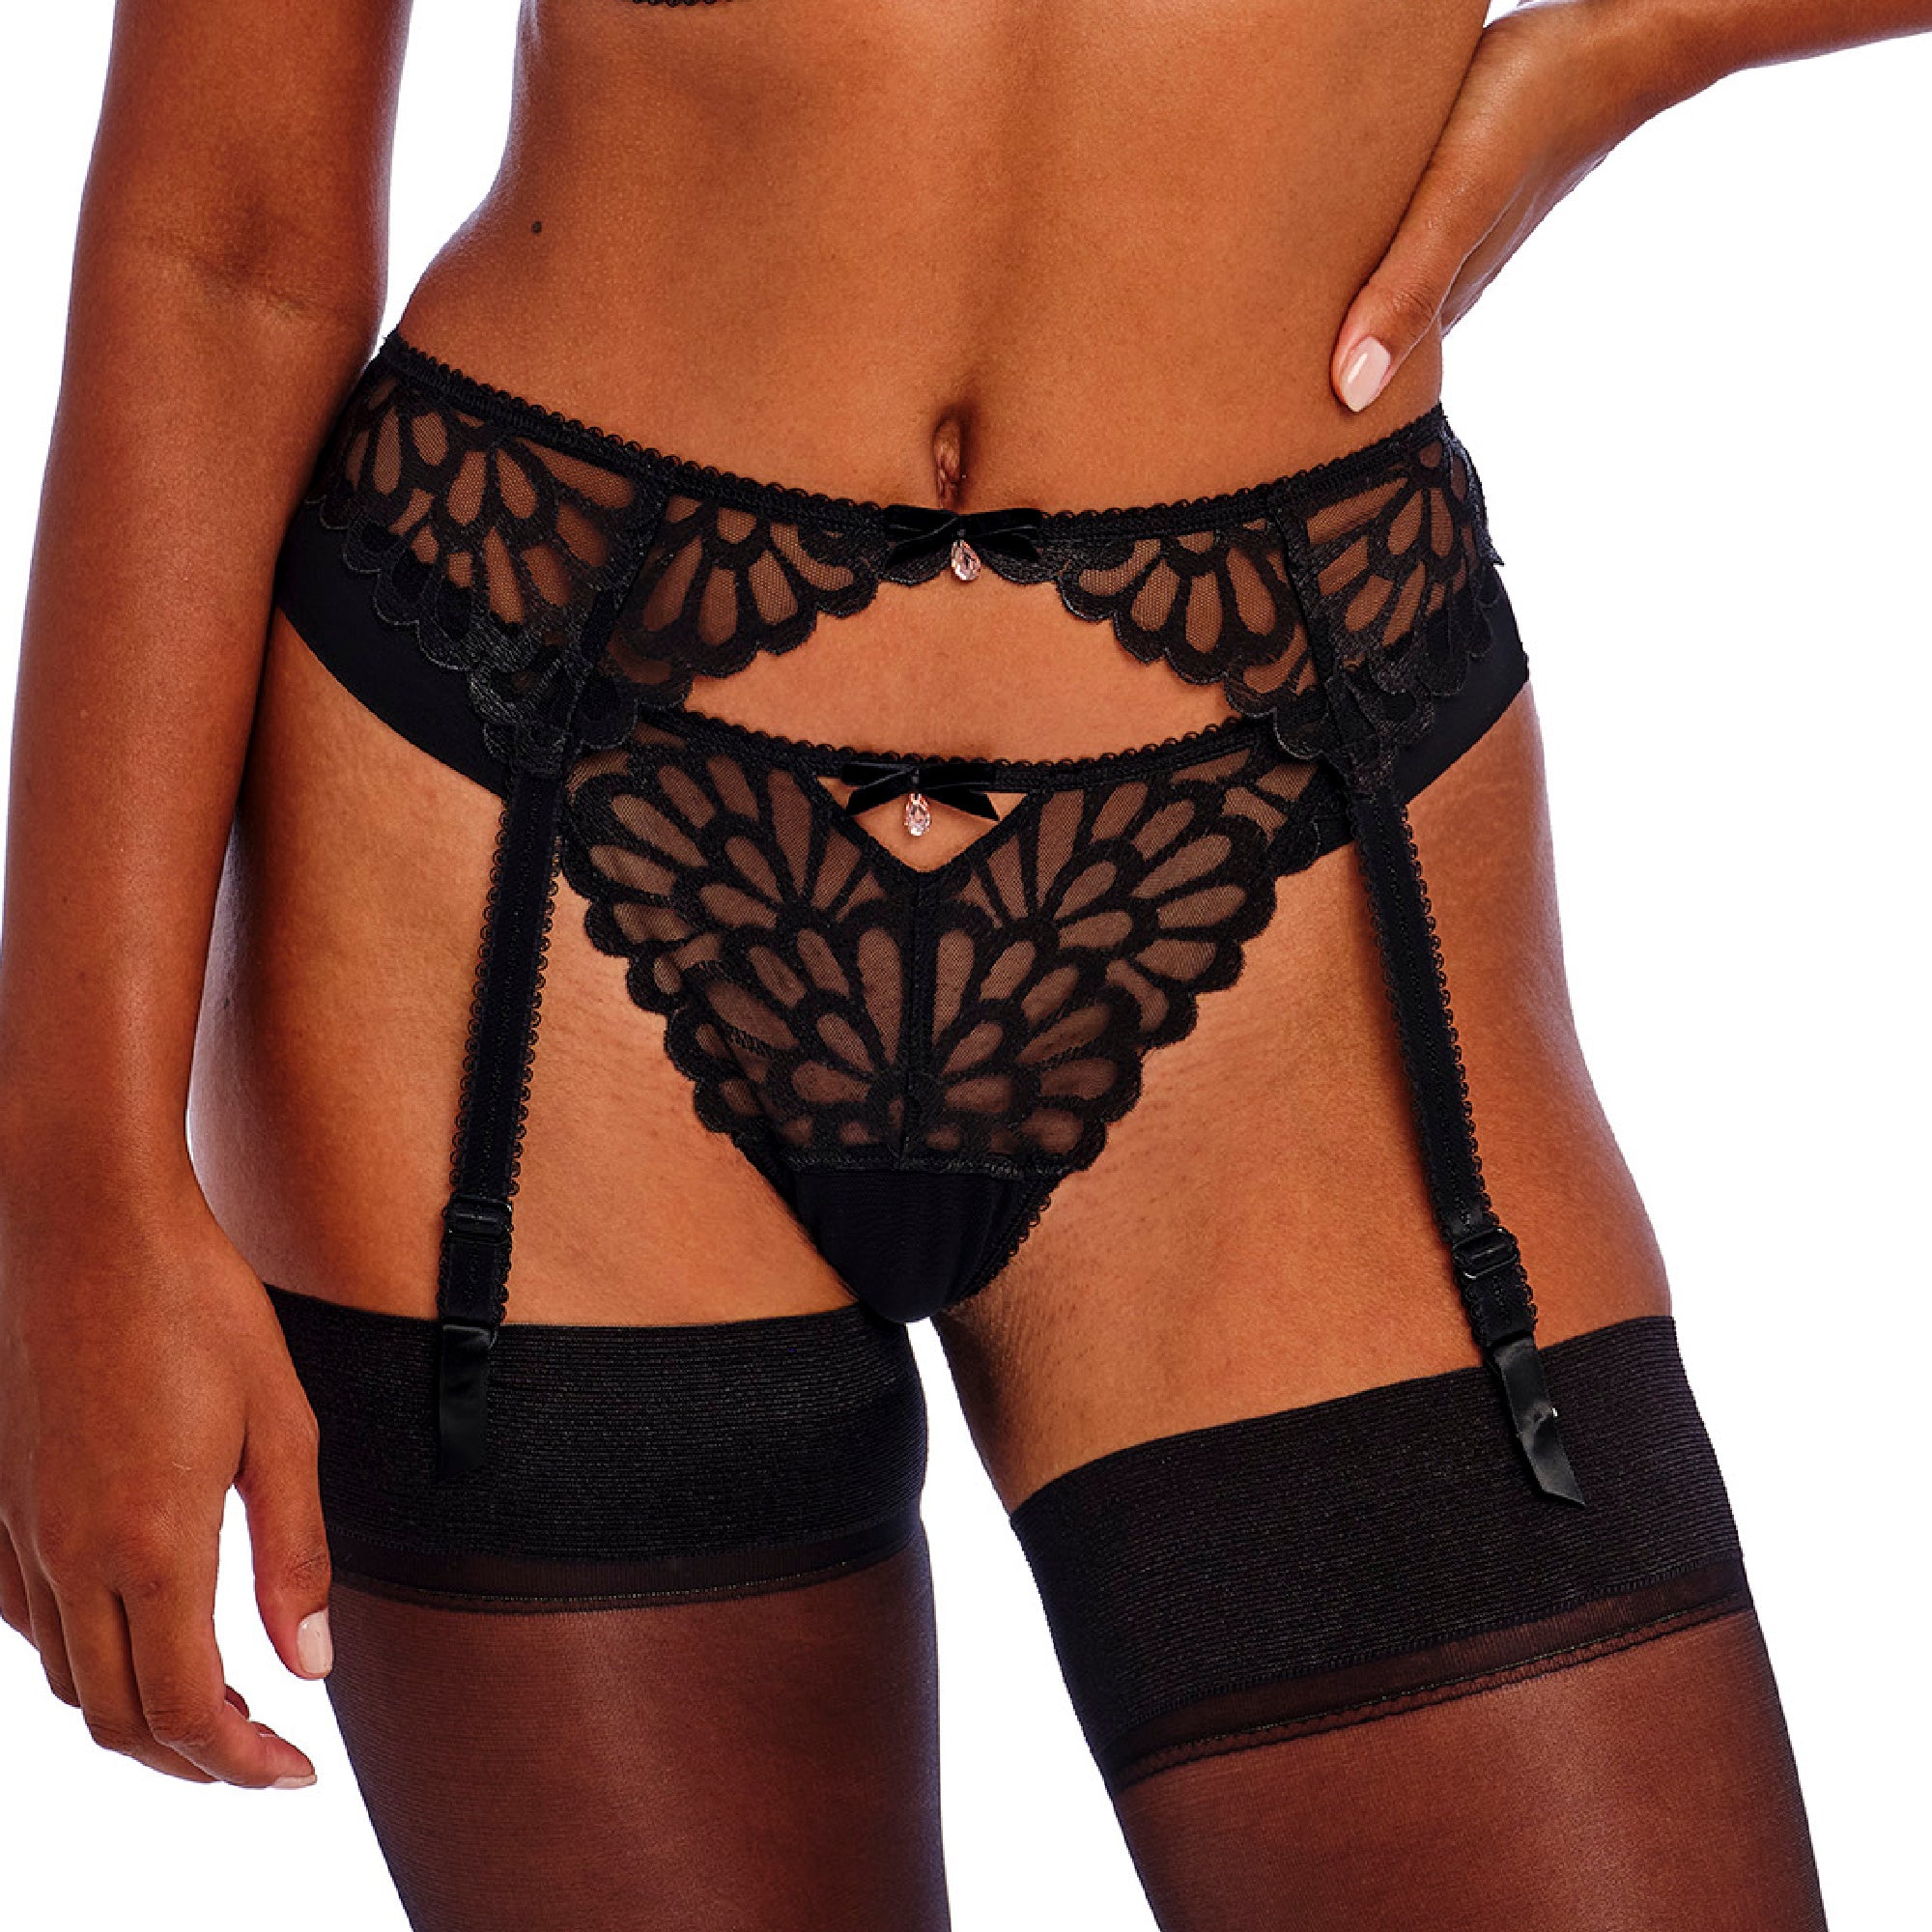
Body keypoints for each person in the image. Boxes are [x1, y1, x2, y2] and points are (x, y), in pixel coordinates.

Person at [0, 2, 1918, 1925]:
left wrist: (1645, 41)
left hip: (1298, 801)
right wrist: (75, 1175)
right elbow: (227, 244)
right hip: (520, 820)